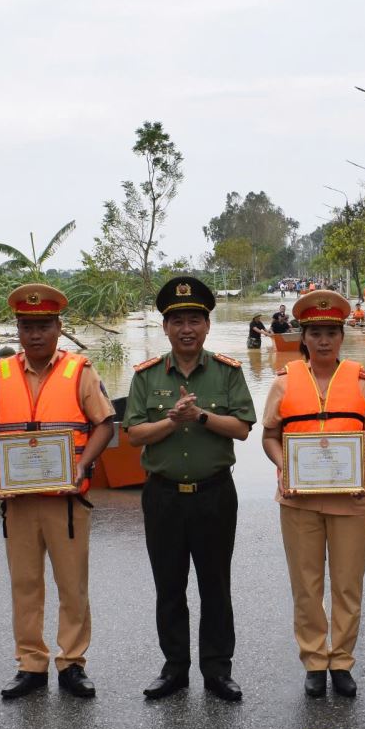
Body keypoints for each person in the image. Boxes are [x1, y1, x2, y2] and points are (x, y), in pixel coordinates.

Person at [0, 283, 115, 701]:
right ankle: (31, 663)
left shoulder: (79, 371)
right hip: (19, 501)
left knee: (73, 585)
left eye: (43, 325)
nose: (35, 334)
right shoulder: (0, 375)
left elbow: (104, 423)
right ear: (17, 329)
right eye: (27, 326)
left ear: (58, 327)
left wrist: (83, 465)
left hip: (66, 501)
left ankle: (72, 663)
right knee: (25, 584)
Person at [125, 276, 256, 702]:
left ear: (207, 325)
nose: (186, 328)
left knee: (215, 584)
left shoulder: (227, 373)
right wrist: (172, 421)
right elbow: (134, 434)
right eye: (178, 320)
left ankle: (218, 670)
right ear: (165, 327)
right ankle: (174, 668)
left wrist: (199, 416)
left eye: (194, 319)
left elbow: (241, 429)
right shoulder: (147, 376)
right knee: (169, 584)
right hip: (162, 496)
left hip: (215, 494)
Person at [260, 291, 365, 698]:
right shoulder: (284, 382)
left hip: (350, 500)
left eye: (332, 332)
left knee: (348, 584)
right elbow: (271, 436)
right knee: (307, 585)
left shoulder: (363, 380)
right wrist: (283, 466)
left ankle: (342, 660)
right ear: (305, 337)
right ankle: (315, 660)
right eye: (316, 332)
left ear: (342, 336)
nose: (324, 340)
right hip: (299, 500)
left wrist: (361, 466)